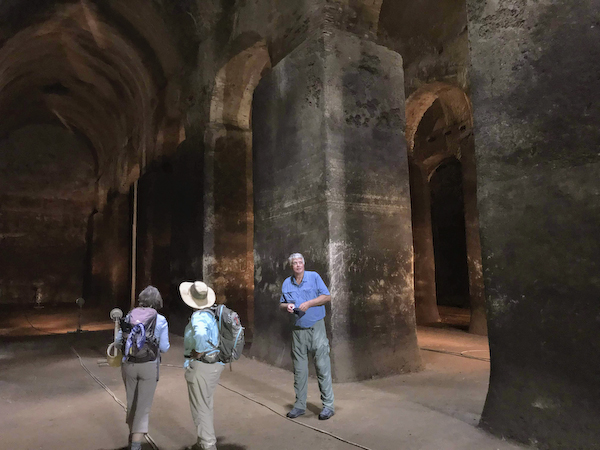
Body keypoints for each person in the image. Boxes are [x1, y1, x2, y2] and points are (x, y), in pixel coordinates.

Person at [280, 253, 335, 420]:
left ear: (304, 264)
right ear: (291, 266)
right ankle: (299, 405)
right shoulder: (286, 283)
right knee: (299, 370)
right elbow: (281, 303)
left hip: (316, 328)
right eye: (294, 263)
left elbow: (327, 296)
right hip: (297, 331)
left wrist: (310, 303)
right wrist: (287, 306)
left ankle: (328, 406)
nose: (298, 265)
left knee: (322, 367)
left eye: (300, 262)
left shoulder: (314, 277)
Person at [118, 285, 170, 450]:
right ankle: (136, 444)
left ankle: (132, 433)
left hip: (129, 364)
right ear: (157, 301)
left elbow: (120, 340)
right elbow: (164, 347)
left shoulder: (129, 316)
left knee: (131, 401)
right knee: (143, 405)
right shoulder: (160, 320)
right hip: (149, 365)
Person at [181, 281, 224, 450]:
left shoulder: (198, 316)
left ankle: (208, 444)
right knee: (206, 403)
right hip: (215, 363)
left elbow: (200, 333)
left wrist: (198, 351)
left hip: (202, 365)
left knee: (200, 408)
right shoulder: (210, 314)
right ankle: (203, 441)